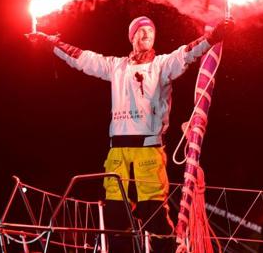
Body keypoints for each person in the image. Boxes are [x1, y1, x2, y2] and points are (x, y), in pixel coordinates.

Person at [26, 16, 234, 252]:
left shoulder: (162, 65)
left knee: (153, 213)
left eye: (150, 31)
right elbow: (82, 59)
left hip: (149, 151)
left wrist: (213, 36)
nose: (146, 34)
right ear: (131, 36)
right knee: (115, 214)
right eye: (141, 31)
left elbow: (187, 53)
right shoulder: (116, 67)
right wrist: (51, 43)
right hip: (118, 152)